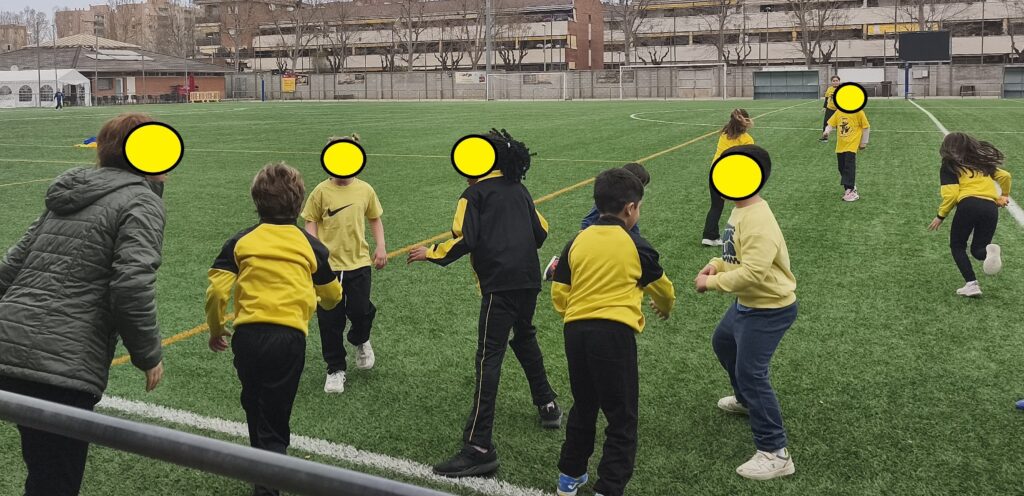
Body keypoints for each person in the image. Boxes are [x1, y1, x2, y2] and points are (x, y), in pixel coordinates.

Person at [0, 112, 166, 496]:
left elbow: (10, 266)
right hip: (60, 365)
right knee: (55, 482)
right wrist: (148, 355)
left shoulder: (70, 192)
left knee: (43, 472)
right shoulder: (141, 201)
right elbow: (131, 286)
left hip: (9, 347)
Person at [408, 128, 560, 478]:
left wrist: (432, 253)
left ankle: (478, 448)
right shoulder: (518, 189)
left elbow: (466, 238)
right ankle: (548, 404)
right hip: (528, 281)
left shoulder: (472, 195)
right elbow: (541, 232)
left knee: (488, 358)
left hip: (500, 286)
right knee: (524, 338)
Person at [206, 163, 343, 496]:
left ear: (256, 201)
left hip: (247, 338)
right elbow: (332, 296)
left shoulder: (240, 241)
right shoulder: (311, 246)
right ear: (299, 203)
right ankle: (269, 482)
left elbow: (217, 292)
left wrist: (216, 328)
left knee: (254, 403)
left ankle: (263, 473)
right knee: (275, 415)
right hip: (288, 339)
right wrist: (320, 301)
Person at [551, 168, 675, 496]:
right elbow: (663, 289)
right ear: (630, 208)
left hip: (575, 334)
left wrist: (576, 314)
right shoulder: (637, 246)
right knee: (622, 416)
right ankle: (609, 487)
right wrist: (665, 307)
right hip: (614, 336)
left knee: (584, 404)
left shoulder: (576, 241)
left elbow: (559, 292)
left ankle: (569, 476)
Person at [696, 145, 798, 481]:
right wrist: (715, 263)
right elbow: (734, 253)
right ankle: (745, 400)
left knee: (752, 373)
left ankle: (775, 452)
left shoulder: (757, 219)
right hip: (748, 303)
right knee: (724, 343)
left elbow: (753, 272)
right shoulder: (740, 209)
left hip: (768, 308)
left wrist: (711, 283)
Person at [302, 133, 387, 394]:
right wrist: (314, 251)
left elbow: (374, 218)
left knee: (360, 310)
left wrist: (381, 246)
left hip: (359, 263)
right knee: (330, 320)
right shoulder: (320, 191)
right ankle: (335, 369)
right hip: (328, 268)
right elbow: (310, 220)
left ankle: (361, 339)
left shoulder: (365, 190)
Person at [927, 132, 1011, 297]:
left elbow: (951, 195)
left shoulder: (949, 165)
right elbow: (1005, 176)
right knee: (978, 250)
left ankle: (971, 284)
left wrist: (940, 216)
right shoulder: (981, 163)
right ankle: (990, 252)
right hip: (990, 207)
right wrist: (1004, 195)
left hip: (969, 205)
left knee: (957, 245)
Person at [545, 163, 650, 280]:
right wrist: (583, 235)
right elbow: (588, 219)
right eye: (641, 186)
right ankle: (556, 266)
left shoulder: (628, 206)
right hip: (596, 236)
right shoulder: (611, 201)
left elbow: (634, 230)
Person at [703, 109, 755, 247]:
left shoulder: (724, 135)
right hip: (732, 175)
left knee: (716, 206)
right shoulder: (747, 139)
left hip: (715, 172)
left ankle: (709, 236)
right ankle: (746, 235)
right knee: (745, 205)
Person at [821, 105, 870, 202]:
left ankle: (851, 191)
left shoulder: (858, 112)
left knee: (849, 166)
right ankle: (850, 186)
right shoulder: (839, 112)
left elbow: (866, 127)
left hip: (852, 145)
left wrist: (864, 142)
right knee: (841, 167)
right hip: (840, 146)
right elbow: (831, 124)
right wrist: (826, 132)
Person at [818, 75, 840, 141]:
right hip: (829, 109)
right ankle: (825, 138)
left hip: (839, 110)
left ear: (839, 81)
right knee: (826, 123)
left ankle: (841, 139)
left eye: (836, 81)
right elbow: (827, 98)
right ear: (831, 82)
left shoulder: (842, 89)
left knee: (839, 124)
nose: (835, 82)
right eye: (833, 81)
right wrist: (824, 107)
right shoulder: (829, 89)